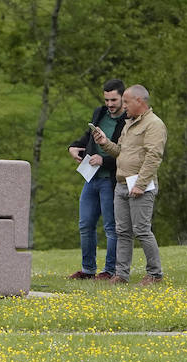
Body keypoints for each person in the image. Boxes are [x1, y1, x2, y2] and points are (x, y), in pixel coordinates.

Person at [92, 84, 167, 286]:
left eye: (126, 102)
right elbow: (121, 152)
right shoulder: (129, 124)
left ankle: (155, 274)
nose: (123, 106)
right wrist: (105, 143)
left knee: (142, 230)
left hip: (140, 185)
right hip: (122, 184)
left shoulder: (154, 124)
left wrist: (141, 184)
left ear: (139, 101)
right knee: (122, 232)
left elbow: (154, 157)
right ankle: (121, 275)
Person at [67, 79, 127, 281]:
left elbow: (127, 154)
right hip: (91, 177)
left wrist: (104, 160)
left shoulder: (128, 121)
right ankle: (88, 269)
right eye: (107, 99)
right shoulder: (99, 113)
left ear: (122, 97)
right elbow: (89, 137)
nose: (110, 104)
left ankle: (110, 270)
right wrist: (74, 147)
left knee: (111, 227)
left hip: (111, 180)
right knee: (85, 224)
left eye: (114, 100)